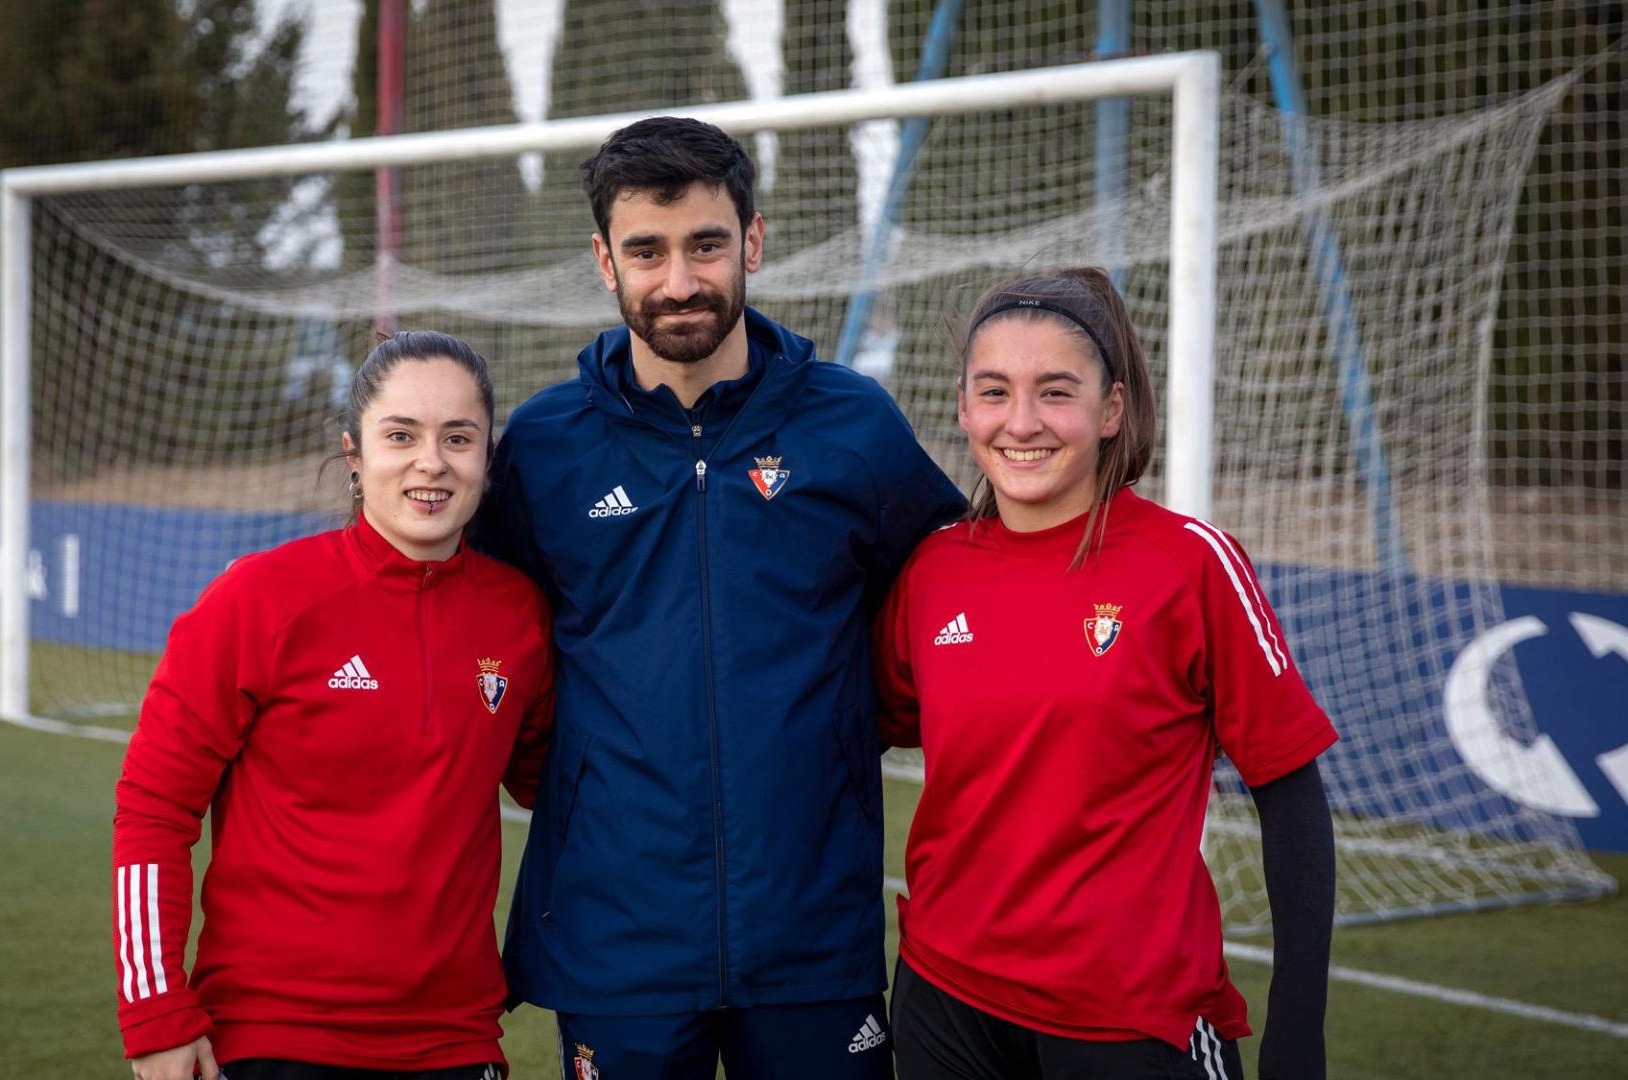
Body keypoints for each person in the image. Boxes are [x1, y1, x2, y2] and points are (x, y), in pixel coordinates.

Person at [474, 117, 967, 1079]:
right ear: (602, 260)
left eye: (705, 244)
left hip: (812, 929)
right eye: (645, 251)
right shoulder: (543, 446)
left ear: (752, 238)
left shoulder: (851, 423)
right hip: (618, 936)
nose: (679, 282)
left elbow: (955, 595)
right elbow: (489, 636)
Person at [874, 268, 1338, 1080]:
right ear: (962, 406)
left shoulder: (1189, 564)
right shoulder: (930, 569)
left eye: (1055, 392)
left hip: (1127, 1020)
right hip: (944, 1000)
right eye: (994, 392)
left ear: (1111, 408)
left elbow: (1289, 790)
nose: (1020, 423)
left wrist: (1298, 1026)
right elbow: (853, 733)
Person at [111, 331, 552, 1080]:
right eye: (400, 436)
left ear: (486, 457)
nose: (431, 462)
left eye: (458, 437)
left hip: (454, 1042)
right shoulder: (258, 599)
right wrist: (155, 1012)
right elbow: (154, 805)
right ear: (354, 453)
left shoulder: (519, 617)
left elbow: (559, 787)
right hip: (274, 1038)